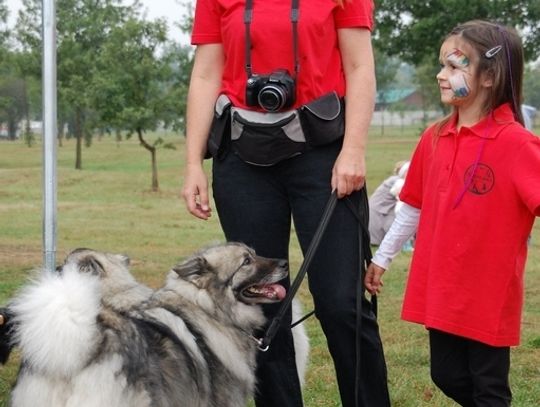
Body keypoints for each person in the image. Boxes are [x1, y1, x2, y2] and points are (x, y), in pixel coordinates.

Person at [182, 1, 390, 406]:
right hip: (241, 157)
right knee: (260, 303)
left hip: (323, 152)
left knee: (341, 303)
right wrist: (192, 162)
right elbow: (206, 73)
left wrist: (354, 150)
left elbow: (360, 67)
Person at [365, 20, 540, 407]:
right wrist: (383, 256)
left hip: (489, 294)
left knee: (489, 388)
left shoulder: (518, 144)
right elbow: (411, 205)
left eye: (455, 66)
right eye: (442, 65)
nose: (441, 75)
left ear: (490, 76)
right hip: (442, 286)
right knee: (445, 374)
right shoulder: (434, 137)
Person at [368, 160, 410, 245]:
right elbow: (404, 201)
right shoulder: (398, 182)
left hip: (382, 211)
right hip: (380, 212)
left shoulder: (395, 180)